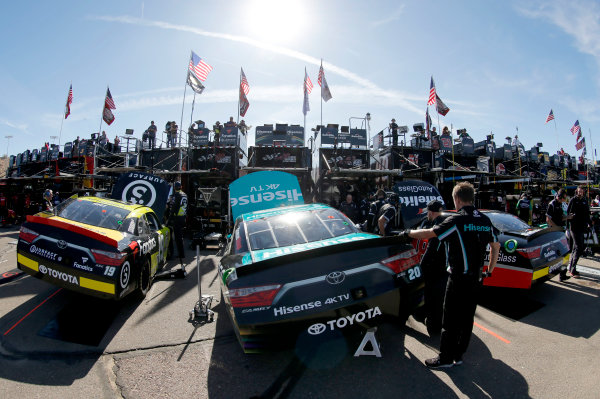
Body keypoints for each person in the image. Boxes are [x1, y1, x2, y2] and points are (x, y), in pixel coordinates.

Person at [402, 182, 500, 368]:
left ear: (457, 199)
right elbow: (496, 245)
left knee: (450, 319)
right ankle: (459, 355)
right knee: (467, 318)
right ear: (471, 197)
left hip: (458, 278)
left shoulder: (456, 220)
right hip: (477, 278)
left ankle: (446, 358)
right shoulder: (485, 220)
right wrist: (490, 270)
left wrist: (408, 233)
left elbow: (429, 233)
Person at [418, 200, 448, 336]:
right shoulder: (447, 222)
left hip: (436, 270)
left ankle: (434, 328)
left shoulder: (437, 227)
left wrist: (420, 271)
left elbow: (431, 251)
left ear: (430, 212)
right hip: (447, 268)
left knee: (433, 300)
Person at [546, 189, 572, 281]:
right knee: (552, 254)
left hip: (560, 231)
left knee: (564, 252)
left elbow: (560, 218)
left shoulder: (560, 204)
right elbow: (548, 220)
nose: (565, 199)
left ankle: (562, 275)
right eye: (564, 197)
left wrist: (568, 217)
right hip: (554, 232)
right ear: (560, 197)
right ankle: (548, 273)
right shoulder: (552, 204)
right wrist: (556, 227)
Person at [566, 187, 591, 278]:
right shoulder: (573, 200)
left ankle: (571, 268)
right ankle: (572, 269)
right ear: (577, 191)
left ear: (583, 192)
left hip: (582, 227)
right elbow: (568, 213)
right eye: (579, 191)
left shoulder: (585, 201)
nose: (580, 193)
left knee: (575, 248)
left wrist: (588, 223)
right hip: (574, 227)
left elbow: (587, 213)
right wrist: (567, 228)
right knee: (579, 247)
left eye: (581, 191)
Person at [168, 181, 188, 265]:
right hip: (183, 217)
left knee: (177, 237)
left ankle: (180, 254)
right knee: (180, 236)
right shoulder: (184, 194)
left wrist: (170, 218)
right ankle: (181, 253)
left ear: (174, 188)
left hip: (177, 218)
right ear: (181, 187)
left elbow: (175, 207)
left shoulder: (177, 195)